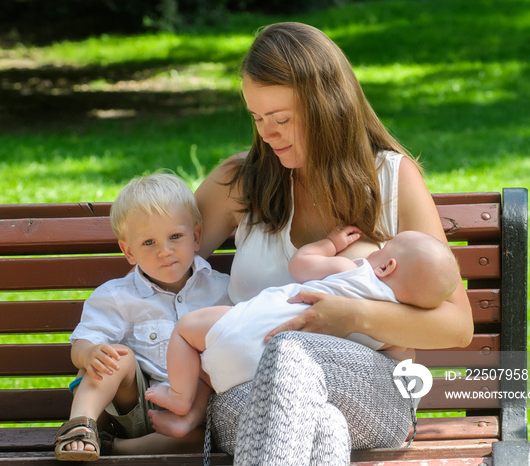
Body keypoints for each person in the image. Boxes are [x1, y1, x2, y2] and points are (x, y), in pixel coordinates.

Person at [184, 22, 473, 465]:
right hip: (242, 388)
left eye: (281, 119)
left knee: (289, 351)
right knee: (324, 429)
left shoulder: (392, 179)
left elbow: (456, 325)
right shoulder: (240, 183)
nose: (267, 134)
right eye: (257, 118)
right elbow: (159, 266)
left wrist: (352, 315)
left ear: (327, 106)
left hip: (371, 389)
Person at [144, 228, 460, 415]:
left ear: (387, 265)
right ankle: (189, 410)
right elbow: (398, 370)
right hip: (264, 383)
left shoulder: (355, 271)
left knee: (187, 329)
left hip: (243, 334)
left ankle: (181, 397)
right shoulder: (391, 332)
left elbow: (301, 265)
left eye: (385, 247)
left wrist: (331, 243)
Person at [53, 173, 232, 461]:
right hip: (138, 409)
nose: (165, 251)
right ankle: (80, 426)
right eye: (149, 242)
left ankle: (113, 449)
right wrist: (90, 353)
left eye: (175, 236)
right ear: (129, 251)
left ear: (196, 236)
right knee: (115, 356)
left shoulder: (224, 290)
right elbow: (81, 345)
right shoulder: (117, 296)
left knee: (209, 433)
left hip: (196, 418)